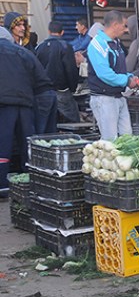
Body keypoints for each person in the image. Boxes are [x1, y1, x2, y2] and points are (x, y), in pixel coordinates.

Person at [87, 10, 139, 141]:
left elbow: (118, 70)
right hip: (104, 99)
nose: (126, 30)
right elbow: (105, 74)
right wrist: (127, 81)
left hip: (118, 97)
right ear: (115, 24)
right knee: (110, 140)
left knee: (127, 138)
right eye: (124, 25)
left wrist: (130, 77)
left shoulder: (116, 43)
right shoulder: (98, 45)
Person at [0, 27, 40, 198]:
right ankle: (30, 181)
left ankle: (2, 185)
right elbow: (38, 75)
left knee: (3, 144)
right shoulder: (22, 51)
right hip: (25, 103)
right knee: (27, 143)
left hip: (3, 104)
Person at [36, 21, 81, 123]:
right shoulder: (65, 47)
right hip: (62, 90)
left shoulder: (40, 47)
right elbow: (70, 70)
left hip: (44, 91)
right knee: (73, 120)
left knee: (47, 122)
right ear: (62, 32)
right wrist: (73, 87)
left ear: (49, 31)